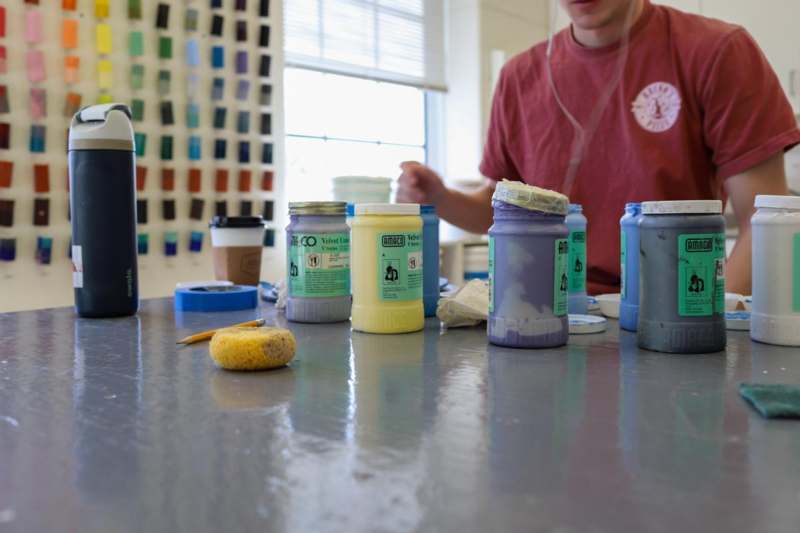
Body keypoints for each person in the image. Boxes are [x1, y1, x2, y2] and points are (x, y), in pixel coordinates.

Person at [396, 0, 800, 295]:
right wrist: (439, 198)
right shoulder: (519, 79)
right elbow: (501, 209)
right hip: (546, 310)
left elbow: (764, 222)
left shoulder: (715, 52)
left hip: (669, 307)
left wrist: (706, 319)